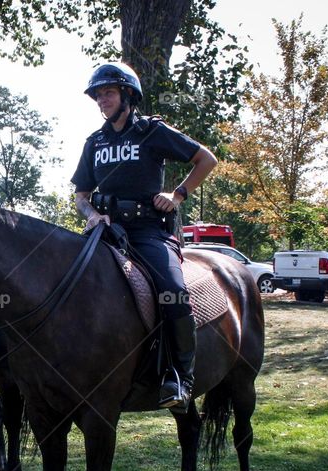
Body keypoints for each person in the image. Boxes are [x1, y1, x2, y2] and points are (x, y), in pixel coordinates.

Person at [71, 62, 218, 413]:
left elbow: (206, 159)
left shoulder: (153, 132)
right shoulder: (95, 142)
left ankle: (181, 376)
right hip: (106, 233)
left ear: (127, 95)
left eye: (107, 92)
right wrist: (93, 215)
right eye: (97, 95)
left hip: (149, 232)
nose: (101, 100)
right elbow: (80, 194)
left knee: (173, 291)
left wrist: (177, 195)